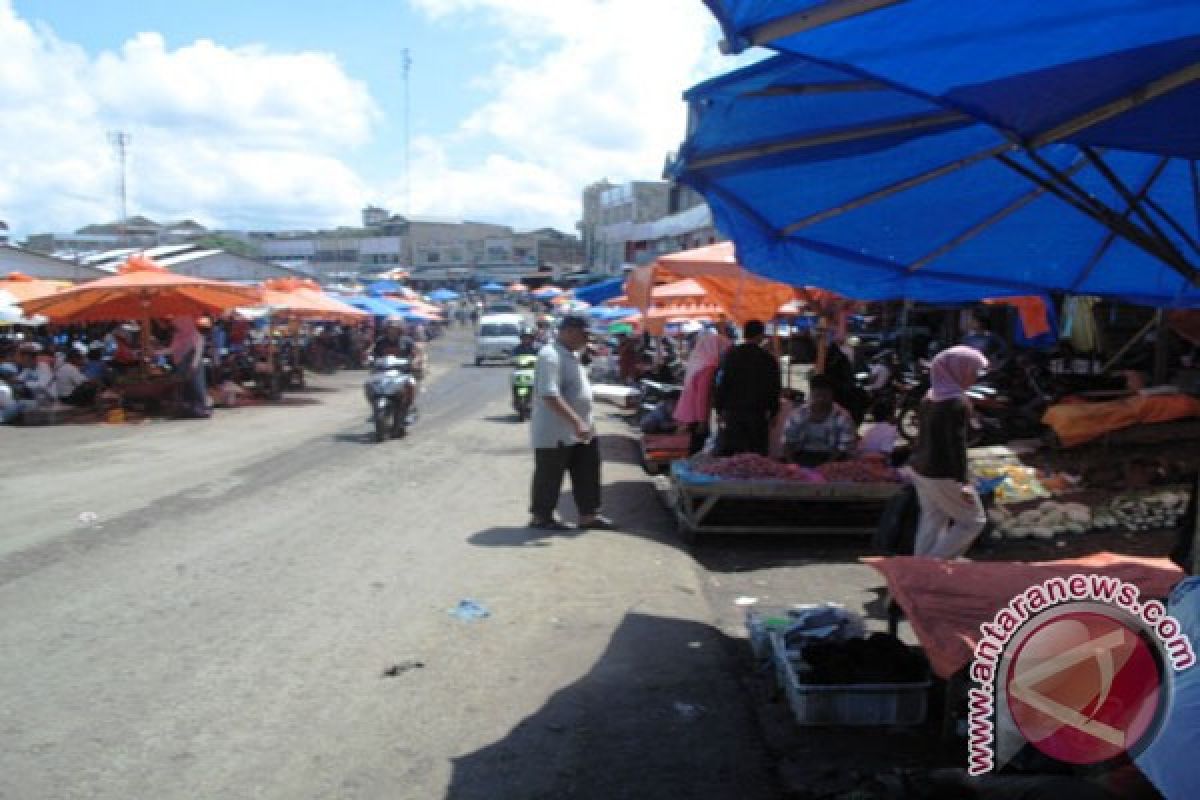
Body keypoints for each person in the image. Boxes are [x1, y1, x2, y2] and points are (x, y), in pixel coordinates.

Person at [528, 314, 614, 531]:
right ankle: (542, 517)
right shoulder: (550, 355)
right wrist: (576, 421)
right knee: (550, 475)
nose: (587, 339)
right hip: (557, 431)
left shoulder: (570, 354)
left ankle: (588, 515)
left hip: (580, 429)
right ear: (568, 331)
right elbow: (549, 395)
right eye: (584, 334)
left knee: (587, 471)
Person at [906, 346, 989, 559]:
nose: (974, 376)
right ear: (958, 370)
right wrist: (964, 482)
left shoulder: (930, 397)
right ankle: (933, 566)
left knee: (933, 518)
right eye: (972, 370)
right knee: (973, 521)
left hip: (920, 468)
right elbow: (956, 445)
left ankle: (918, 569)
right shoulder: (956, 403)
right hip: (942, 472)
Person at [713, 319, 781, 456]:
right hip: (757, 415)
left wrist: (719, 409)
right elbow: (774, 388)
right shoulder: (768, 359)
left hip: (733, 414)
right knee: (756, 457)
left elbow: (721, 384)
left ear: (744, 334)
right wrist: (774, 412)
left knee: (733, 456)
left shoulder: (730, 356)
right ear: (761, 335)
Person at [674, 329, 731, 455]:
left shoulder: (698, 361)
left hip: (689, 412)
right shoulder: (708, 367)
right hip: (697, 415)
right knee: (697, 445)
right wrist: (702, 421)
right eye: (722, 349)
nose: (724, 354)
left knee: (694, 445)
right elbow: (702, 396)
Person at [783, 374, 857, 466]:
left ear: (832, 395)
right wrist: (792, 465)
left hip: (834, 458)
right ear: (811, 394)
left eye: (825, 396)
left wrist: (825, 467)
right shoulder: (798, 414)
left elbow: (844, 449)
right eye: (817, 395)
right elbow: (788, 442)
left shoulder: (843, 417)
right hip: (803, 456)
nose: (821, 399)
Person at [166, 316, 209, 418]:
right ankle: (187, 410)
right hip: (182, 365)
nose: (176, 326)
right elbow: (172, 349)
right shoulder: (178, 335)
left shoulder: (196, 335)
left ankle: (200, 409)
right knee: (185, 387)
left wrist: (193, 366)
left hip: (194, 366)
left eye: (178, 323)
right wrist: (154, 352)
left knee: (197, 386)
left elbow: (198, 352)